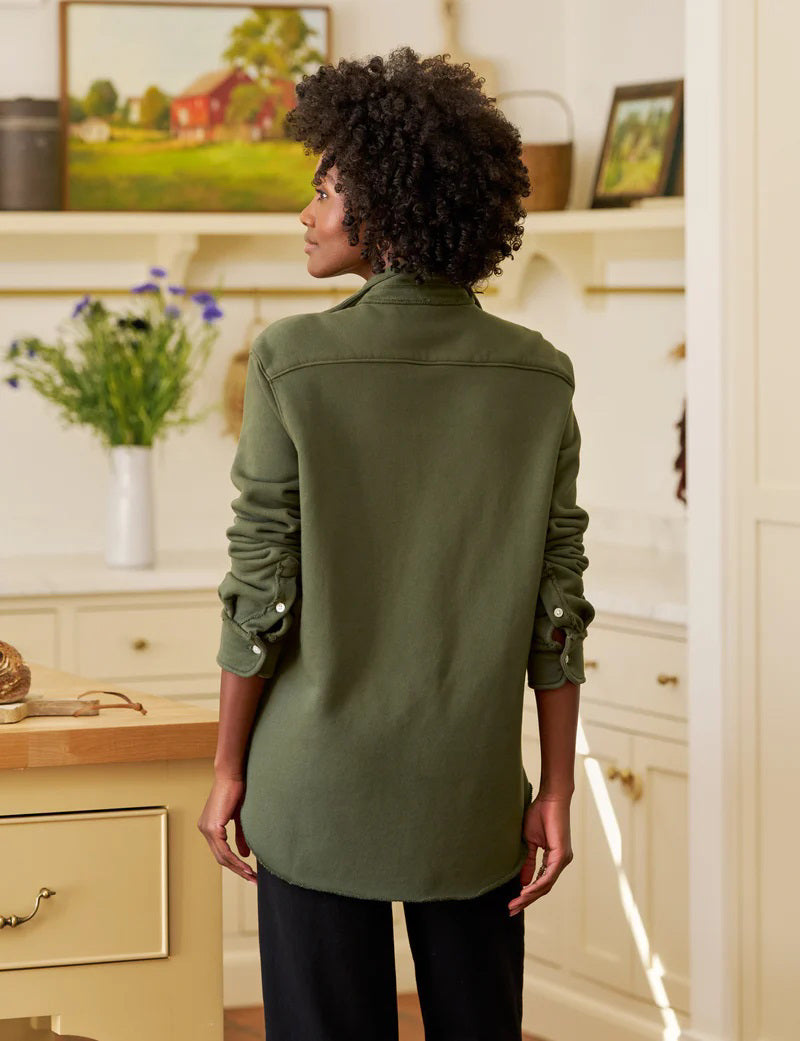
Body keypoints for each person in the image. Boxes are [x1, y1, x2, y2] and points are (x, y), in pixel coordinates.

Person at [198, 45, 595, 1041]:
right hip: (468, 797)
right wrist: (551, 788)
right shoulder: (537, 374)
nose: (307, 214)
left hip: (313, 786)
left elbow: (261, 592)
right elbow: (558, 605)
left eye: (325, 191)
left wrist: (226, 769)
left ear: (382, 206)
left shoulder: (291, 359)